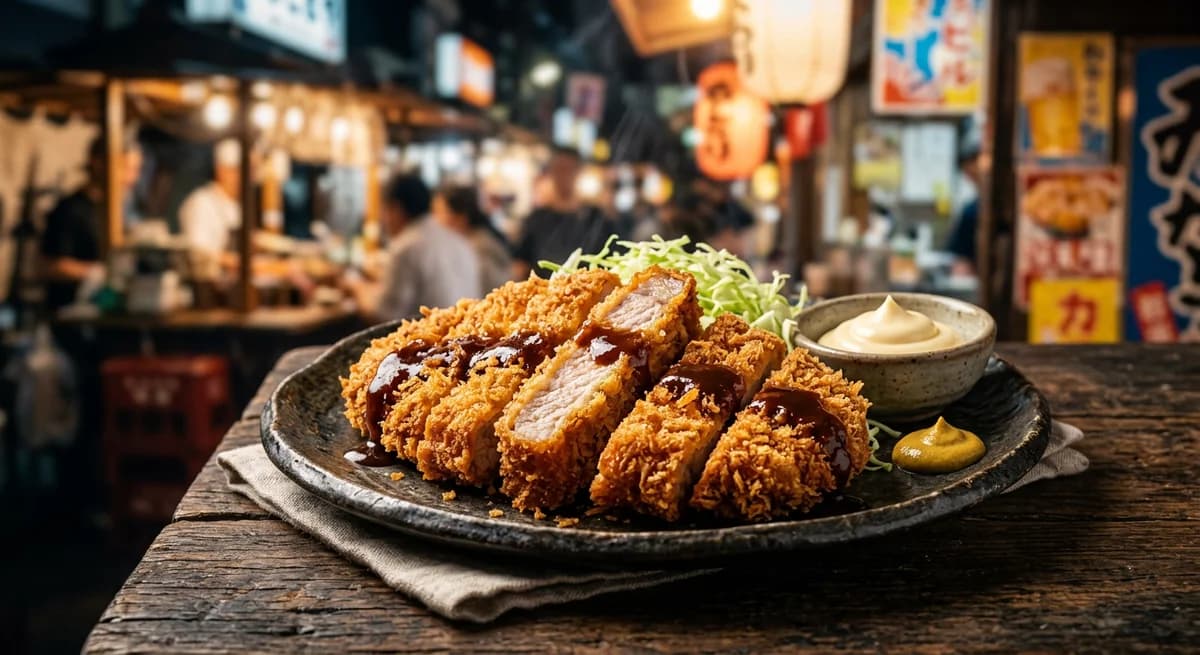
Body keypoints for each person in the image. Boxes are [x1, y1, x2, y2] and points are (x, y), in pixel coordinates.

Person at [346, 175, 480, 321]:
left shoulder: (406, 247)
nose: (384, 219)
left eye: (385, 209)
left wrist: (355, 286)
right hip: (467, 333)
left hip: (432, 339)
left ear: (396, 208)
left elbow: (384, 313)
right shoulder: (459, 240)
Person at [40, 135, 143, 310]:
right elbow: (48, 266)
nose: (131, 178)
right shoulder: (70, 209)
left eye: (135, 170)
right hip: (72, 314)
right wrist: (95, 272)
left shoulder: (117, 211)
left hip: (106, 310)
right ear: (98, 163)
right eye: (125, 168)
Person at [512, 147, 621, 278]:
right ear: (551, 172)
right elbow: (521, 263)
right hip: (545, 293)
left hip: (592, 291)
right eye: (559, 169)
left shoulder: (596, 217)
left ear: (579, 172)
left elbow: (615, 259)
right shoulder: (536, 218)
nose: (564, 175)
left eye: (569, 169)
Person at [433, 185, 513, 292]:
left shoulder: (479, 247)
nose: (435, 219)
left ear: (461, 217)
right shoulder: (461, 242)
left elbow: (494, 291)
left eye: (440, 212)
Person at [179, 138, 242, 259]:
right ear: (220, 170)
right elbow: (200, 253)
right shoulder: (201, 202)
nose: (240, 178)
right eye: (234, 171)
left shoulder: (237, 206)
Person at [946, 146, 981, 276]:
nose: (969, 177)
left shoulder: (972, 210)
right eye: (967, 173)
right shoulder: (971, 209)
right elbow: (960, 258)